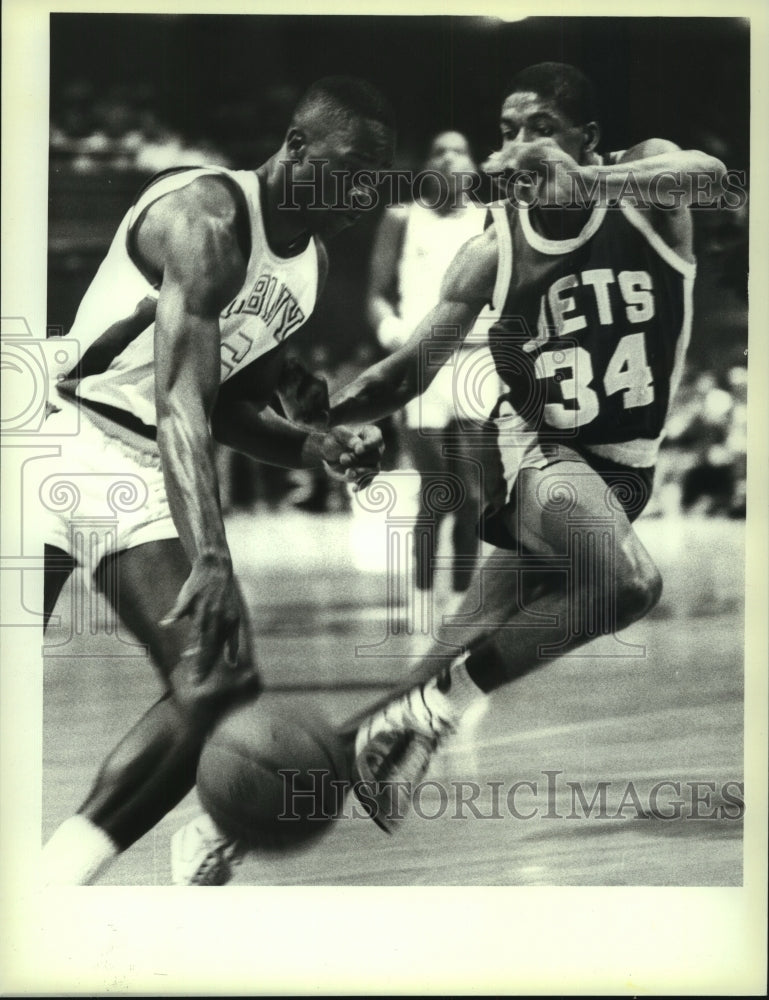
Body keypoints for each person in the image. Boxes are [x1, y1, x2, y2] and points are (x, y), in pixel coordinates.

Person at [328, 62, 727, 831]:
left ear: (590, 139)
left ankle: (238, 817)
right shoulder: (492, 246)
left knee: (447, 651)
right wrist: (326, 424)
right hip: (543, 454)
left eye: (540, 128)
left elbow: (715, 176)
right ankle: (436, 711)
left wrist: (589, 185)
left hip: (625, 472)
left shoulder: (649, 187)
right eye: (508, 133)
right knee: (629, 587)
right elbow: (407, 369)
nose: (519, 147)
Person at [41, 76, 393, 884]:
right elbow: (178, 402)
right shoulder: (205, 217)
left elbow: (227, 403)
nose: (365, 191)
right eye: (351, 167)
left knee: (216, 682)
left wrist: (316, 448)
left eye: (378, 176)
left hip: (128, 466)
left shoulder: (309, 264)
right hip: (56, 434)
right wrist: (213, 555)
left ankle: (48, 886)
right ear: (296, 147)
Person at [367, 131, 497, 597]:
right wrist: (395, 335)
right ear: (426, 165)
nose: (447, 158)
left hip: (475, 364)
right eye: (437, 150)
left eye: (458, 150)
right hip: (421, 366)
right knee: (438, 486)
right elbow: (378, 295)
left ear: (474, 166)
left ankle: (462, 600)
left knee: (473, 493)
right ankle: (422, 597)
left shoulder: (491, 221)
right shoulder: (402, 218)